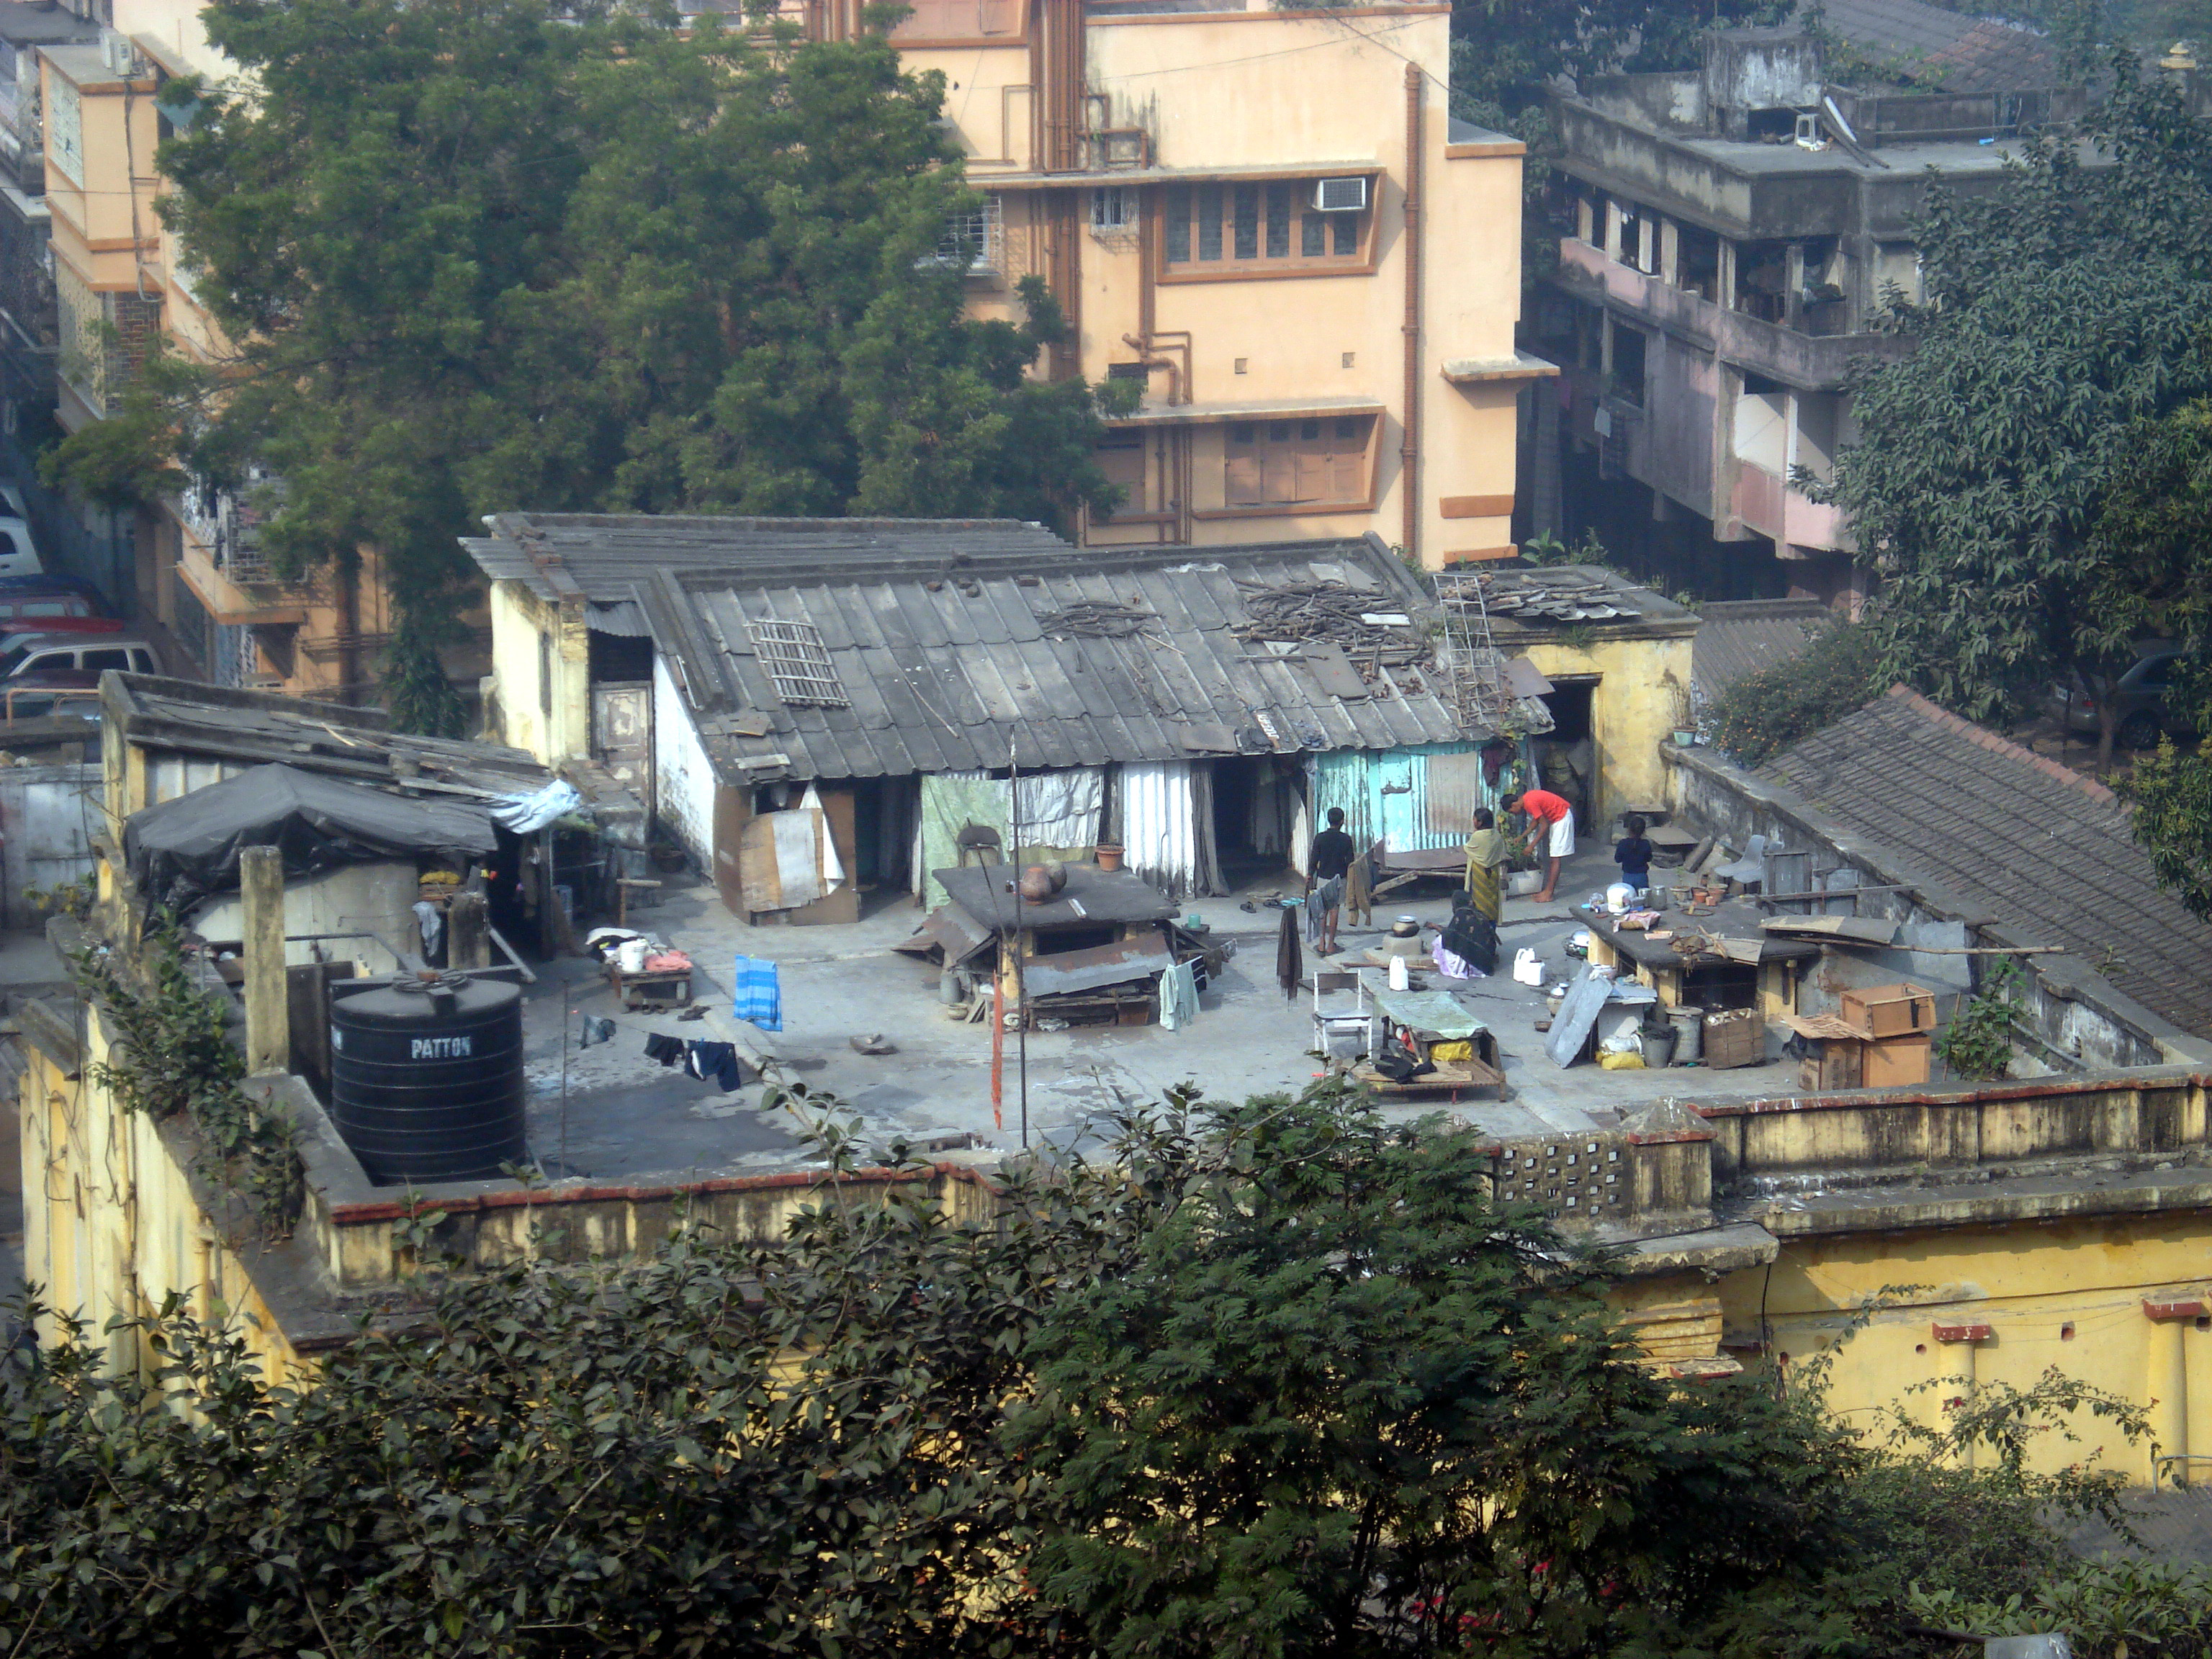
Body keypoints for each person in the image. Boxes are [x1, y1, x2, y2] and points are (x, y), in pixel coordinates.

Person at [1503, 786, 1574, 903]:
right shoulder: (1528, 799)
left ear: (1514, 805)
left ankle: (1549, 894)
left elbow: (1544, 825)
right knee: (1554, 857)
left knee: (1555, 859)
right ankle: (1547, 891)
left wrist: (1531, 846)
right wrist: (1522, 837)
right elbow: (1535, 821)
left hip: (1562, 818)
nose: (1515, 814)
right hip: (1558, 819)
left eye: (1512, 812)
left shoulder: (1530, 803)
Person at [1305, 806, 1356, 956]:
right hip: (1339, 879)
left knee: (1323, 911)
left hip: (1323, 878)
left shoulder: (1320, 838)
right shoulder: (1346, 839)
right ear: (1342, 821)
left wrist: (1309, 874)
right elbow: (1350, 861)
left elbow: (1314, 859)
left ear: (1329, 820)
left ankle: (1321, 944)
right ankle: (1331, 946)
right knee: (1334, 911)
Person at [1462, 806, 1511, 924]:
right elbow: (1500, 851)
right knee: (1492, 902)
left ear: (1480, 822)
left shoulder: (1477, 836)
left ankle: (1480, 931)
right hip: (1493, 872)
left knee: (1478, 903)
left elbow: (1467, 848)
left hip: (1479, 873)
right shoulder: (1497, 835)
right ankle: (1492, 930)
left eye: (1474, 819)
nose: (1473, 821)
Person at [1614, 814, 1655, 893]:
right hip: (1642, 876)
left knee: (1628, 901)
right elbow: (1649, 859)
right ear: (1643, 831)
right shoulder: (1646, 844)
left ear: (1629, 829)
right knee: (1643, 900)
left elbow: (1617, 859)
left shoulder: (1623, 843)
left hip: (1628, 876)